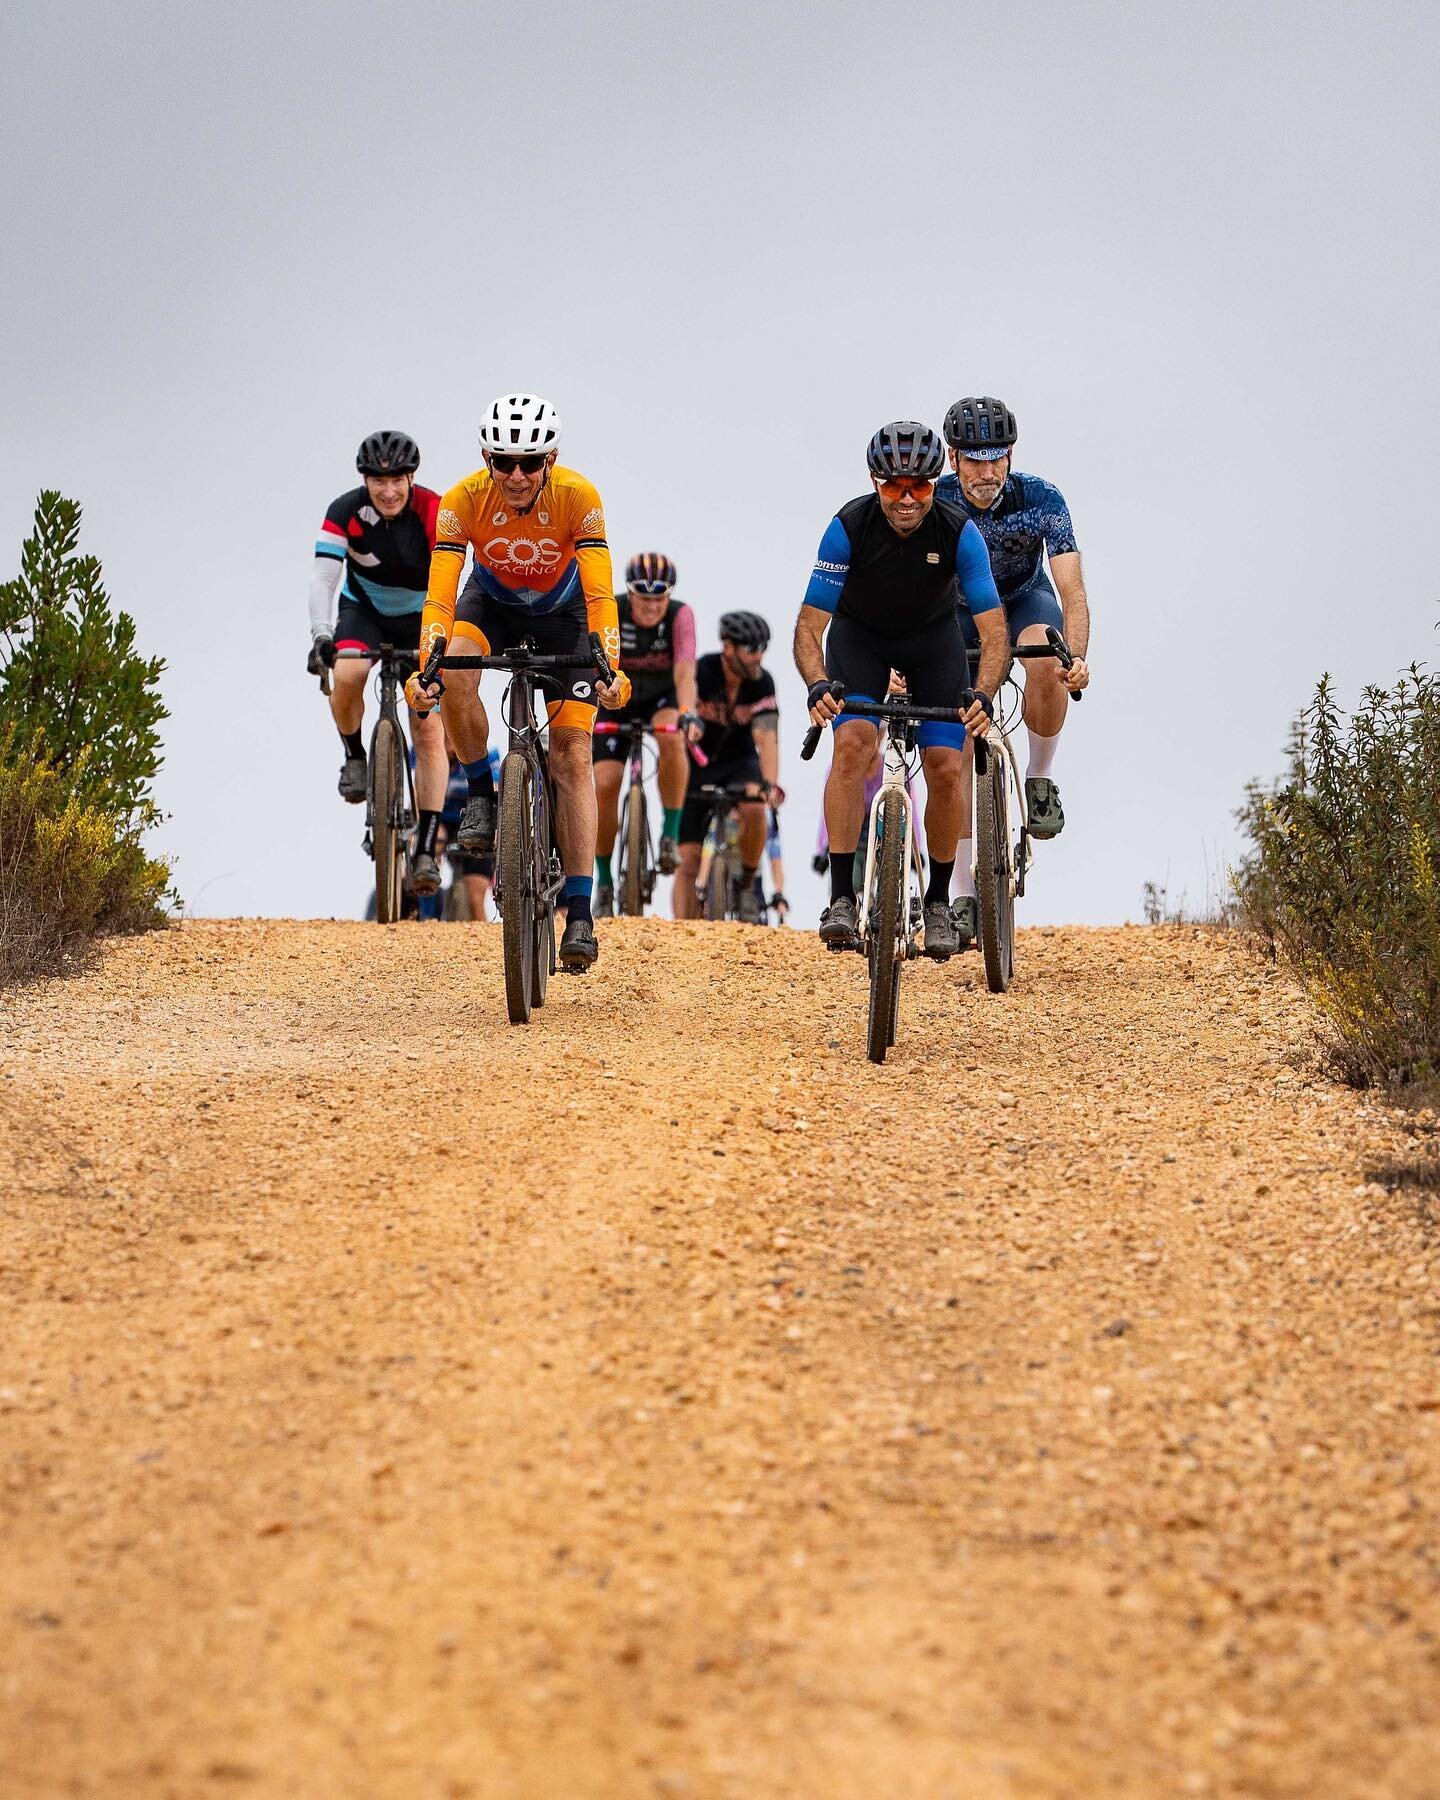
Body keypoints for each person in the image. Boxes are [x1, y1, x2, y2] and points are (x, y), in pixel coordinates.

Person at [406, 394, 629, 970]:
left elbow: (602, 594)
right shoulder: (461, 501)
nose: (517, 475)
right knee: (456, 666)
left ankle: (579, 910)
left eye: (530, 462)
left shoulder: (579, 497)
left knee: (573, 752)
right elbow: (441, 595)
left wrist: (612, 666)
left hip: (567, 616)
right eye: (503, 461)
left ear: (550, 459)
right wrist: (426, 665)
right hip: (493, 606)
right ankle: (481, 792)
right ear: (486, 457)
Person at [793, 420, 1008, 958]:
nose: (908, 498)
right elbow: (809, 626)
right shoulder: (848, 527)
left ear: (936, 484)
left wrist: (983, 692)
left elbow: (995, 632)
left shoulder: (959, 532)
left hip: (932, 644)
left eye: (920, 486)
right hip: (859, 640)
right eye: (894, 486)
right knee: (852, 746)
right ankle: (841, 896)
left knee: (944, 763)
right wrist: (817, 682)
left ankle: (937, 901)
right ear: (875, 481)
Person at [936, 395, 1091, 942]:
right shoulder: (934, 502)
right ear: (952, 458)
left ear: (1011, 455)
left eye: (996, 457)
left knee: (1046, 655)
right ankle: (961, 894)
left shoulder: (1042, 497)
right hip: (958, 614)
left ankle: (1040, 776)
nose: (986, 471)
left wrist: (1077, 654)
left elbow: (1070, 590)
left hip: (1025, 600)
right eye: (974, 459)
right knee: (952, 739)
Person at [307, 430, 449, 894]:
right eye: (377, 481)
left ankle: (426, 848)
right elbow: (325, 577)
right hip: (363, 610)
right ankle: (355, 758)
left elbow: (453, 579)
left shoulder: (434, 510)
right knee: (347, 672)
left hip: (421, 618)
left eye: (397, 481)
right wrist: (321, 635)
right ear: (365, 480)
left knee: (427, 728)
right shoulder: (344, 511)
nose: (388, 491)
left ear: (411, 477)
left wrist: (445, 638)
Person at [592, 553, 698, 917]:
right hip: (615, 696)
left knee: (672, 738)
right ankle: (604, 881)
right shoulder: (613, 611)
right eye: (643, 598)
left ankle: (670, 834)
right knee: (605, 784)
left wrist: (687, 713)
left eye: (659, 598)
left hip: (661, 698)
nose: (652, 607)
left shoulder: (680, 616)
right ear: (628, 593)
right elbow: (597, 662)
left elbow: (685, 671)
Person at [675, 612, 781, 924]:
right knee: (688, 860)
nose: (758, 655)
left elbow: (768, 737)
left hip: (740, 763)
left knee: (755, 804)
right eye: (751, 648)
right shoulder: (703, 671)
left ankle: (747, 882)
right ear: (728, 647)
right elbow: (685, 701)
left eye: (763, 647)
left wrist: (769, 784)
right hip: (698, 765)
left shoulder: (763, 683)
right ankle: (680, 932)